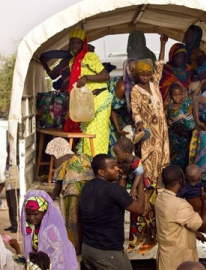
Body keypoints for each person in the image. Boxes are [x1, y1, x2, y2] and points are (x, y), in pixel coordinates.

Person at [80, 154, 145, 270]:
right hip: (108, 252)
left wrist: (124, 176)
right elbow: (139, 209)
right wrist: (140, 178)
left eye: (116, 166)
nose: (117, 169)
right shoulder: (112, 190)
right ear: (101, 172)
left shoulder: (88, 186)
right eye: (112, 167)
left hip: (88, 248)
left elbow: (120, 194)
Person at [64, 28, 111, 157]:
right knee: (86, 136)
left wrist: (87, 78)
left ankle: (99, 167)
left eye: (77, 43)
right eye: (72, 43)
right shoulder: (72, 62)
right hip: (85, 103)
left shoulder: (89, 57)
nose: (74, 46)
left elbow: (105, 75)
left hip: (100, 99)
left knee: (96, 136)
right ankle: (88, 167)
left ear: (83, 44)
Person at [131, 34, 169, 187]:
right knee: (149, 154)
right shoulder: (136, 89)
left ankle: (160, 181)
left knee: (162, 153)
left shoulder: (154, 83)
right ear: (138, 75)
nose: (146, 77)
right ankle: (149, 183)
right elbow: (135, 109)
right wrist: (139, 123)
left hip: (161, 126)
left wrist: (162, 44)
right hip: (148, 128)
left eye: (148, 74)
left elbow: (160, 63)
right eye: (143, 75)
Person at [155, 165, 206, 270]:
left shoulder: (160, 198)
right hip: (179, 260)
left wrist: (194, 232)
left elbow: (173, 222)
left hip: (165, 258)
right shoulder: (180, 205)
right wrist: (204, 201)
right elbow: (204, 227)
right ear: (181, 180)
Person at [46, 137, 94, 255]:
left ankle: (74, 250)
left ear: (56, 154)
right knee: (87, 220)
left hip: (72, 195)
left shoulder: (63, 165)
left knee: (72, 222)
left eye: (53, 157)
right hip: (90, 192)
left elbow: (58, 186)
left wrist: (50, 199)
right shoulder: (85, 157)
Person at [113, 137, 157, 254]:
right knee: (135, 215)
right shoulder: (124, 161)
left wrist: (133, 189)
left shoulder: (137, 161)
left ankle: (149, 239)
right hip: (138, 189)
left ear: (126, 153)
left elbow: (139, 174)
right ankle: (135, 240)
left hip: (145, 189)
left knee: (146, 215)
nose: (116, 157)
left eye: (117, 154)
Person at [21, 190, 78, 270]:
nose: (31, 217)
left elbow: (55, 258)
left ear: (44, 212)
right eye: (28, 214)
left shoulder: (51, 231)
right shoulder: (32, 227)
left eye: (35, 214)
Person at [177, 164, 206, 238]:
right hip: (203, 212)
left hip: (192, 213)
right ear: (200, 176)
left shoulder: (185, 189)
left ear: (185, 177)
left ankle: (195, 231)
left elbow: (178, 197)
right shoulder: (202, 185)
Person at [108, 58, 137, 153]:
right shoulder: (122, 86)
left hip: (127, 117)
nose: (134, 73)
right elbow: (112, 109)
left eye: (137, 70)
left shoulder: (138, 82)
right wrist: (118, 129)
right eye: (131, 70)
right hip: (115, 119)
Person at [166, 83, 196, 171]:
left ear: (182, 94)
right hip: (175, 136)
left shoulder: (187, 104)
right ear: (171, 96)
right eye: (175, 95)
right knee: (175, 155)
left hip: (187, 136)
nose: (177, 97)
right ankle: (175, 171)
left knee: (186, 155)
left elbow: (195, 95)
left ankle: (184, 172)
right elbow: (168, 119)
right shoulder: (169, 107)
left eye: (179, 95)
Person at [4, 145, 20, 233]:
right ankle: (13, 223)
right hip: (8, 185)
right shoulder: (8, 159)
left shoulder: (16, 160)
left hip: (14, 185)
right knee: (10, 206)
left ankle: (16, 225)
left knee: (14, 206)